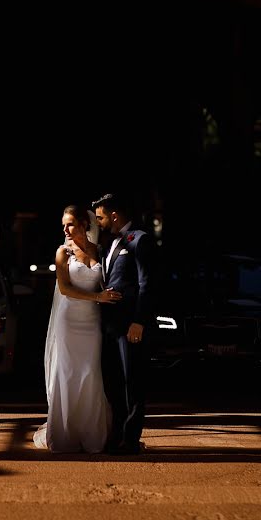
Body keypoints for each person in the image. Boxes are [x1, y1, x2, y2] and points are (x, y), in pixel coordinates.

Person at [33, 204, 122, 453]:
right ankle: (64, 435)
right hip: (68, 321)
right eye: (64, 225)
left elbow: (106, 282)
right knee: (67, 372)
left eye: (70, 223)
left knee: (90, 372)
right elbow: (65, 289)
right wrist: (98, 298)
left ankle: (93, 435)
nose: (66, 229)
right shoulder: (63, 253)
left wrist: (107, 297)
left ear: (84, 224)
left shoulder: (99, 251)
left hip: (91, 322)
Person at [92, 193, 157, 455]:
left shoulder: (140, 240)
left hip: (129, 325)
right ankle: (116, 435)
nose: (99, 223)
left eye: (101, 217)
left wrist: (139, 321)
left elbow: (147, 284)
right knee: (114, 383)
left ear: (114, 215)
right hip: (109, 325)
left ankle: (130, 440)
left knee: (133, 382)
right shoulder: (109, 243)